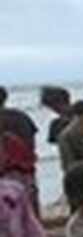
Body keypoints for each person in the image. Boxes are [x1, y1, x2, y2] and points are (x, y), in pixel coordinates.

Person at [0, 87, 40, 216]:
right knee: (30, 207)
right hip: (26, 169)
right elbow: (32, 143)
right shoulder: (21, 116)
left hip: (5, 172)